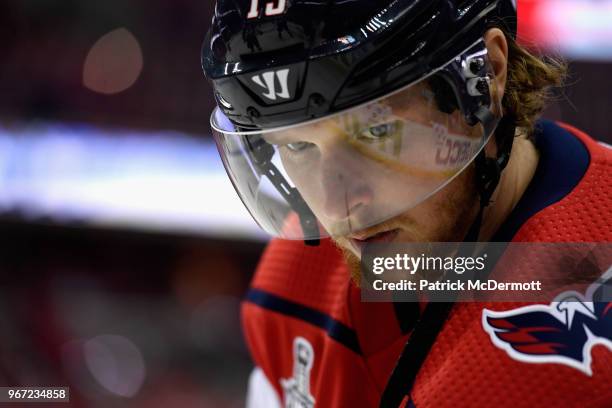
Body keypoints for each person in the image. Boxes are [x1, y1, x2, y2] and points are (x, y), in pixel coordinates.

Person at [202, 1, 612, 407]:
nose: (337, 206)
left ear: (488, 74)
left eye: (376, 131)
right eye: (296, 145)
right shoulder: (292, 288)